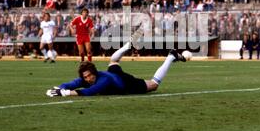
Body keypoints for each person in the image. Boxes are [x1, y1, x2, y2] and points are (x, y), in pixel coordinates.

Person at [46, 41, 187, 97]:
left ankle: (170, 56)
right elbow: (70, 84)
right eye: (85, 77)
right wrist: (60, 88)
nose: (88, 79)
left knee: (154, 85)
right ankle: (127, 46)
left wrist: (65, 94)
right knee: (113, 61)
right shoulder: (86, 79)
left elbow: (90, 91)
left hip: (125, 83)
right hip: (113, 74)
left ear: (94, 73)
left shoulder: (102, 80)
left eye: (89, 75)